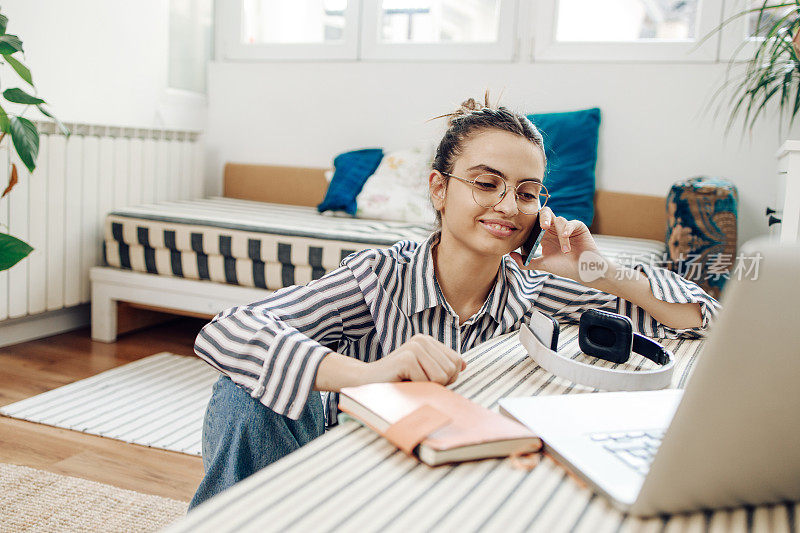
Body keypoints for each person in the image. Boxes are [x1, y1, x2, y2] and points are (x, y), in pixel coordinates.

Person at [188, 96, 720, 509]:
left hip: (468, 485)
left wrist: (599, 271)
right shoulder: (379, 278)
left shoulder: (537, 287)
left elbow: (704, 318)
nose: (508, 206)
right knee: (242, 392)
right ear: (439, 190)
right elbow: (231, 329)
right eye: (486, 183)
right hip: (349, 468)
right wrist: (371, 373)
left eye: (528, 192)